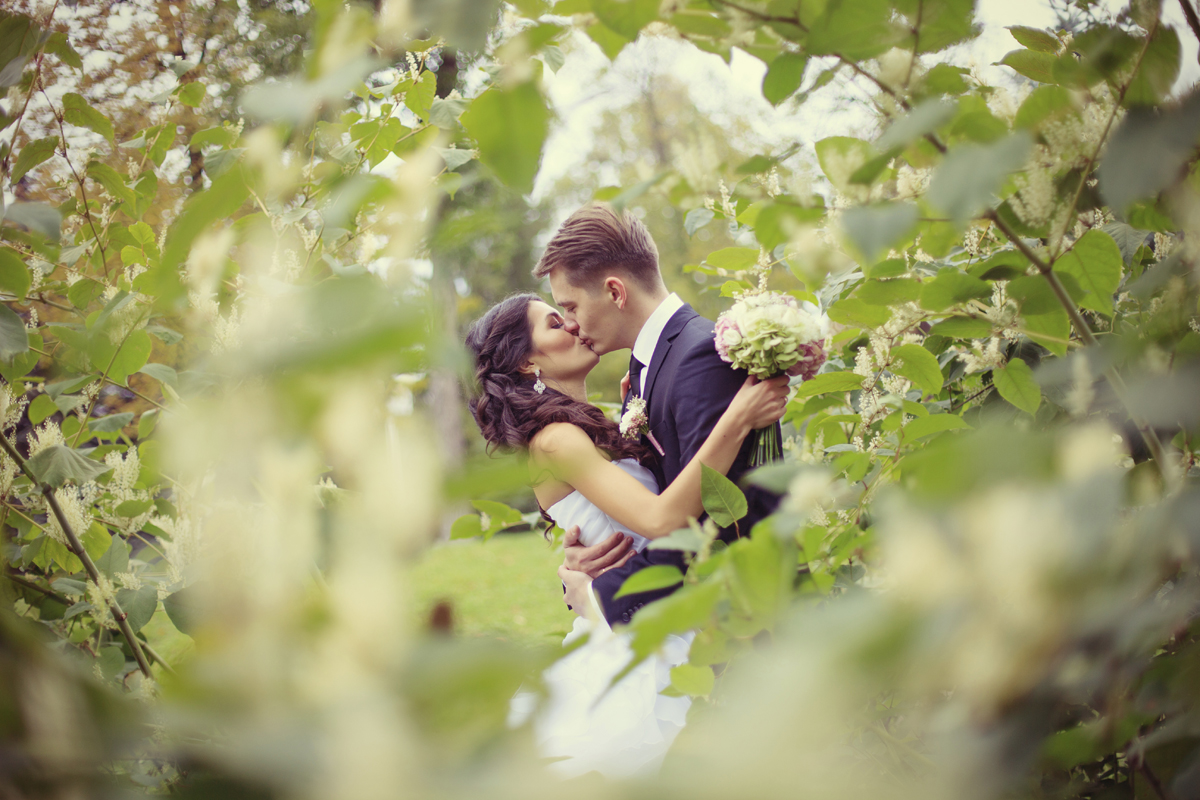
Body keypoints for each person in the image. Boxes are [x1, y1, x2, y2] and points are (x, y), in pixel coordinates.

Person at [464, 293, 787, 777]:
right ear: (528, 361)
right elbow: (659, 520)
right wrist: (738, 419)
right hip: (638, 637)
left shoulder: (584, 426)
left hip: (657, 606)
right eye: (555, 323)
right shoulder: (554, 440)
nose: (573, 325)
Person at [533, 202, 784, 627]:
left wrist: (599, 596)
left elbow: (707, 522)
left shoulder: (701, 356)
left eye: (571, 307)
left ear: (615, 292)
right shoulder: (643, 369)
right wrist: (585, 564)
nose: (571, 324)